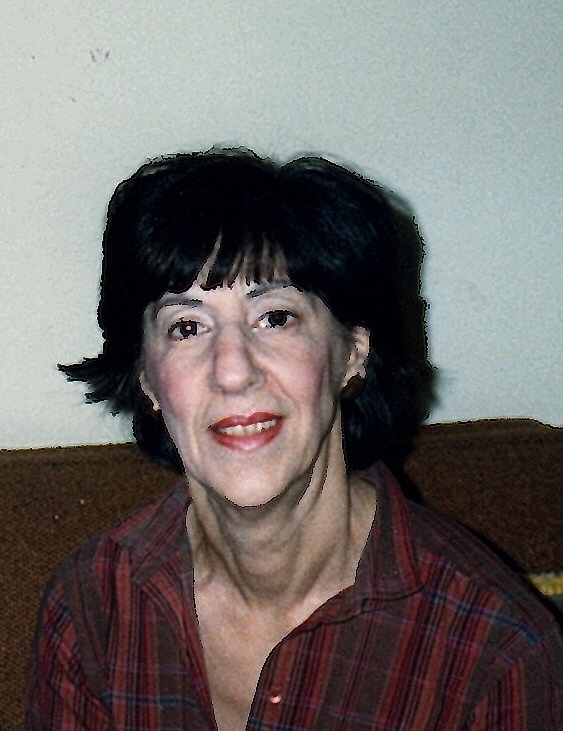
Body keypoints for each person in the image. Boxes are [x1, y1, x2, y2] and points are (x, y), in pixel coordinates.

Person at [25, 148, 563, 731]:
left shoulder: (495, 649)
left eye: (275, 318)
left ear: (352, 352)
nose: (233, 372)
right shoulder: (94, 606)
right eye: (187, 327)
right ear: (146, 380)